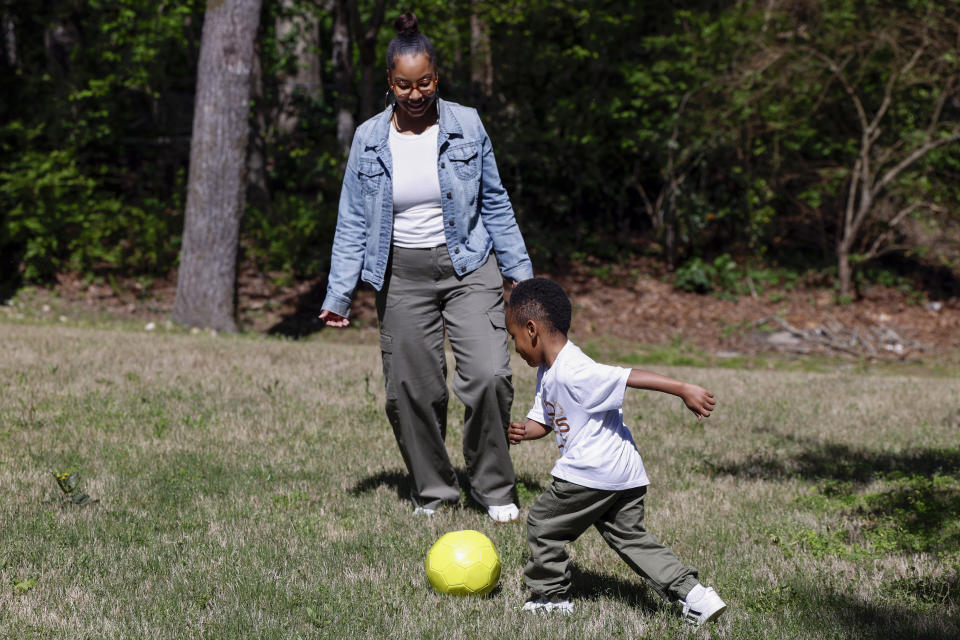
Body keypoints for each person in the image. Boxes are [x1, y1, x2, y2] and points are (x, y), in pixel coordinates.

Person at [319, 13, 533, 523]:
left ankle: (493, 486)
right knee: (412, 388)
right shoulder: (369, 138)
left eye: (425, 82)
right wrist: (338, 294)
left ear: (437, 76)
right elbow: (351, 218)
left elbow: (495, 201)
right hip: (401, 274)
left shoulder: (467, 124)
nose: (415, 94)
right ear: (389, 83)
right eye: (403, 85)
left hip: (467, 265)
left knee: (488, 376)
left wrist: (518, 273)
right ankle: (435, 490)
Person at [505, 278, 727, 627]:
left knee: (544, 523)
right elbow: (548, 421)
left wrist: (683, 388)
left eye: (513, 336)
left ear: (531, 329)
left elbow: (627, 376)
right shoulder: (549, 371)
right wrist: (524, 430)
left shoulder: (575, 369)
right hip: (624, 475)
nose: (515, 346)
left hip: (592, 471)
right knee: (632, 539)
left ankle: (551, 596)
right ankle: (696, 595)